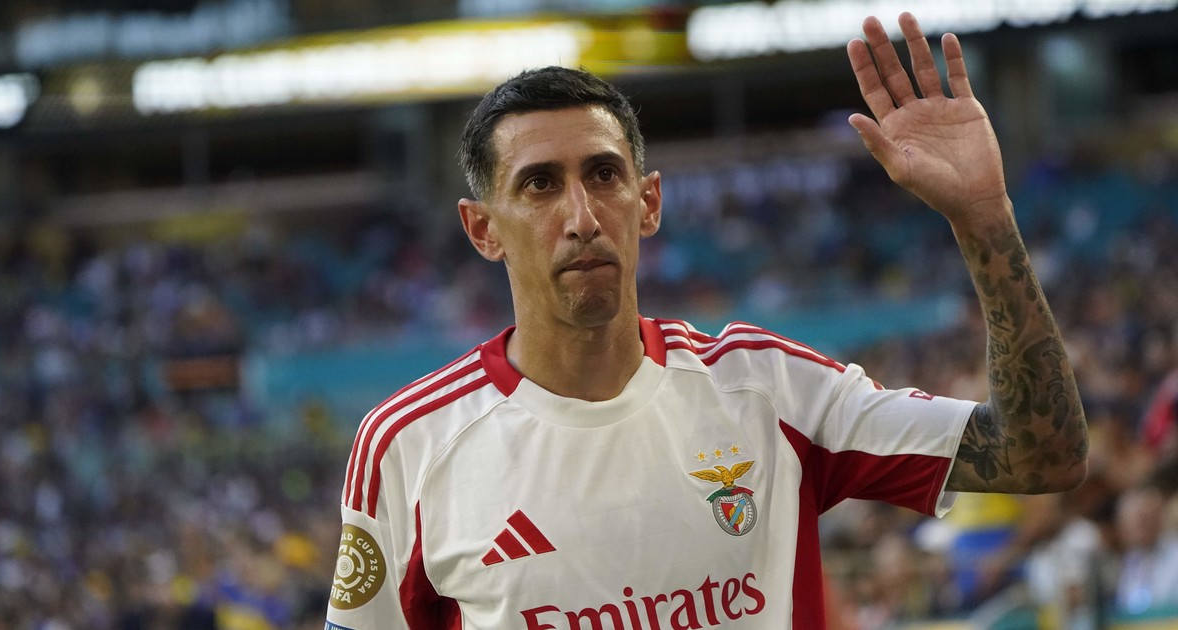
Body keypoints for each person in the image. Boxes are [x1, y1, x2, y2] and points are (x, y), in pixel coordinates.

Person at [325, 12, 1088, 630]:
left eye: (604, 174)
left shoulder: (771, 391)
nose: (582, 217)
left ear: (648, 202)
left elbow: (1040, 455)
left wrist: (985, 219)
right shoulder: (408, 446)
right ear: (482, 228)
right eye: (539, 185)